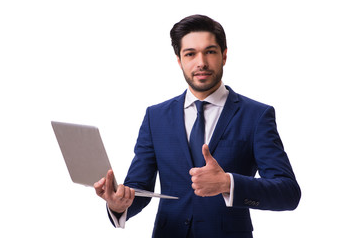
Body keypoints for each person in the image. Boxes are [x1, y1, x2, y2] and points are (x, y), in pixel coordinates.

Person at [94, 14, 301, 238]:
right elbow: (139, 186)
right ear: (179, 60)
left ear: (224, 56)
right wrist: (118, 204)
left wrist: (228, 183)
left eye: (210, 52)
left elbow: (288, 192)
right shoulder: (156, 117)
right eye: (190, 54)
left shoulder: (256, 115)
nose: (201, 62)